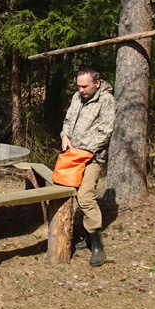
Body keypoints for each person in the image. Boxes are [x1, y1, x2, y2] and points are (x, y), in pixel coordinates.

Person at [60, 67, 116, 267]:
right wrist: (65, 136)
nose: (81, 90)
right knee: (65, 190)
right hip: (72, 155)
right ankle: (83, 236)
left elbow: (105, 132)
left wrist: (84, 151)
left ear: (97, 83)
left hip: (92, 157)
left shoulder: (107, 101)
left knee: (85, 195)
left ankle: (97, 244)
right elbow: (68, 120)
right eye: (79, 86)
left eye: (85, 86)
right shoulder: (77, 97)